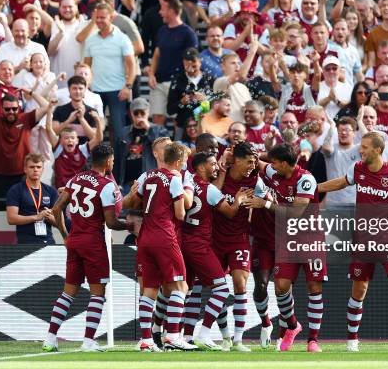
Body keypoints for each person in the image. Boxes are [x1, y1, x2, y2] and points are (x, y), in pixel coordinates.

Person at [318, 132, 388, 352]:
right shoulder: (358, 169)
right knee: (359, 289)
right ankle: (352, 340)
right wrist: (315, 186)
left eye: (366, 147)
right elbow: (341, 183)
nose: (361, 151)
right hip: (362, 241)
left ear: (378, 150)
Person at [43, 143, 132, 353]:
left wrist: (65, 236)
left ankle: (50, 338)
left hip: (74, 240)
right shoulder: (106, 185)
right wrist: (130, 225)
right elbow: (111, 223)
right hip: (93, 243)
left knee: (68, 293)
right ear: (109, 161)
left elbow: (56, 209)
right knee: (97, 294)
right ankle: (88, 341)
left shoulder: (75, 179)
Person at [244, 144, 323, 352]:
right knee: (281, 286)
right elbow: (260, 165)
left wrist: (266, 205)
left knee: (314, 287)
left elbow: (296, 213)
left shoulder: (305, 179)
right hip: (287, 239)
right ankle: (293, 326)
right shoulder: (274, 171)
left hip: (310, 236)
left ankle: (313, 340)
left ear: (286, 164)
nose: (272, 166)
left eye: (275, 163)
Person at [124, 142, 197, 351]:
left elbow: (132, 202)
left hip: (145, 236)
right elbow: (180, 214)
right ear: (176, 162)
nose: (183, 167)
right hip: (165, 235)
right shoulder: (175, 178)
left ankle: (146, 339)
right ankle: (173, 335)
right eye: (183, 163)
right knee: (181, 286)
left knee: (149, 289)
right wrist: (182, 195)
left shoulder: (147, 175)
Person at [179, 152, 250, 350]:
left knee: (189, 291)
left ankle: (184, 336)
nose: (216, 167)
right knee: (221, 289)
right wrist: (238, 199)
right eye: (212, 164)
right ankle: (204, 333)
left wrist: (220, 172)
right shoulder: (209, 190)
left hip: (182, 241)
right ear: (201, 167)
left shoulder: (186, 180)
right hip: (199, 245)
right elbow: (230, 212)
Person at [212, 141, 267, 352]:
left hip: (239, 239)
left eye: (254, 162)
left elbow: (269, 199)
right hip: (215, 241)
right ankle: (225, 337)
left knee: (240, 284)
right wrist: (222, 166)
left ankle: (238, 340)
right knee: (218, 289)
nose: (252, 165)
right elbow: (209, 193)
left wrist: (265, 201)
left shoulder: (255, 181)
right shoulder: (219, 175)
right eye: (249, 161)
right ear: (235, 160)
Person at [0, 83, 52, 210]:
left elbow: (47, 106)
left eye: (14, 109)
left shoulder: (26, 119)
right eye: (7, 109)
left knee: (24, 211)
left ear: (18, 108)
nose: (11, 112)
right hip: (0, 176)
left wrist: (30, 93)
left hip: (22, 176)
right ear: (1, 108)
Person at [83, 2, 136, 144]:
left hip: (117, 91)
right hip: (95, 91)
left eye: (102, 18)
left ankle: (118, 166)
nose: (99, 21)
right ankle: (93, 164)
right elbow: (86, 66)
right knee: (93, 132)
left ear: (111, 17)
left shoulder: (122, 38)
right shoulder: (90, 40)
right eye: (97, 17)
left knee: (119, 133)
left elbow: (132, 66)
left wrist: (128, 87)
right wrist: (86, 88)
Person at [148, 0, 199, 125]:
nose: (160, 12)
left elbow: (192, 60)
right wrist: (151, 74)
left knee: (179, 121)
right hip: (159, 83)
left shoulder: (188, 33)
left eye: (163, 9)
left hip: (178, 84)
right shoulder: (162, 30)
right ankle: (159, 145)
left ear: (172, 11)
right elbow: (156, 54)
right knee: (157, 119)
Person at [47, 100, 103, 189]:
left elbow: (98, 139)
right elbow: (49, 129)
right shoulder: (59, 149)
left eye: (72, 138)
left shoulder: (82, 149)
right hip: (61, 190)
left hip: (78, 190)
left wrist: (97, 121)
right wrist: (50, 109)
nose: (70, 140)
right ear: (60, 141)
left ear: (77, 140)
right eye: (66, 138)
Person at [115, 98, 170, 188]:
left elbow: (165, 149)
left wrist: (149, 128)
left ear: (148, 112)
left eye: (142, 113)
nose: (139, 116)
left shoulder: (159, 130)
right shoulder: (123, 132)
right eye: (136, 113)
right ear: (131, 114)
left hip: (150, 181)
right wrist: (117, 182)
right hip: (127, 183)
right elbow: (117, 158)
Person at [6, 154, 59, 244]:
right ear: (25, 169)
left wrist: (50, 217)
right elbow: (11, 219)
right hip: (26, 242)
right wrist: (37, 217)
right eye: (32, 167)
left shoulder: (51, 191)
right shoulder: (16, 190)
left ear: (43, 169)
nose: (35, 170)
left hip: (48, 241)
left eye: (38, 167)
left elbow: (59, 222)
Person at [321, 117, 360, 207]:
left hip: (353, 202)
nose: (343, 133)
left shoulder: (359, 149)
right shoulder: (332, 149)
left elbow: (371, 145)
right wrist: (332, 127)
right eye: (340, 130)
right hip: (333, 203)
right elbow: (326, 147)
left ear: (354, 133)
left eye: (347, 130)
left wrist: (360, 122)